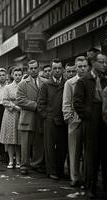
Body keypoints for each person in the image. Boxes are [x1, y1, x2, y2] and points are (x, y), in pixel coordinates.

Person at [73, 53, 107, 199]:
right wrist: (89, 115)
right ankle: (91, 187)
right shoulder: (84, 80)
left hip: (105, 121)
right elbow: (77, 103)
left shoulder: (105, 80)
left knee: (105, 155)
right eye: (102, 62)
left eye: (106, 62)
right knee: (91, 156)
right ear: (93, 63)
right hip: (91, 122)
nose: (105, 65)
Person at [37, 58, 67, 180]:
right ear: (51, 70)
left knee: (62, 147)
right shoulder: (46, 85)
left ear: (63, 69)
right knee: (49, 147)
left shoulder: (66, 83)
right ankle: (52, 171)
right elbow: (40, 105)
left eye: (59, 68)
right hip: (50, 120)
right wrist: (47, 116)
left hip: (63, 120)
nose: (57, 70)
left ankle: (60, 170)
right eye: (55, 68)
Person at [17, 59, 47, 175]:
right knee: (25, 144)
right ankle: (24, 165)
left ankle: (37, 164)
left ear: (38, 68)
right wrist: (37, 106)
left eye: (35, 68)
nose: (33, 70)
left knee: (39, 142)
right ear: (28, 70)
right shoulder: (23, 84)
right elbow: (20, 100)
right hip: (28, 118)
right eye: (31, 68)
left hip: (41, 118)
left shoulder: (45, 82)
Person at [62, 56, 89, 187]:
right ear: (75, 67)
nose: (82, 69)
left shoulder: (91, 80)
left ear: (88, 66)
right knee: (74, 151)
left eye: (84, 66)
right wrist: (69, 118)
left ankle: (86, 178)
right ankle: (75, 177)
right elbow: (66, 102)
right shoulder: (70, 83)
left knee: (88, 151)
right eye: (80, 66)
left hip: (89, 120)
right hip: (75, 120)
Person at [0, 67, 23, 169]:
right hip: (10, 114)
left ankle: (18, 160)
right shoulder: (8, 87)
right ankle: (10, 160)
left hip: (21, 113)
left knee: (18, 139)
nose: (17, 77)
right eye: (16, 75)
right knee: (10, 138)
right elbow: (4, 101)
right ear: (12, 75)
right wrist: (14, 106)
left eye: (19, 75)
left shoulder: (24, 86)